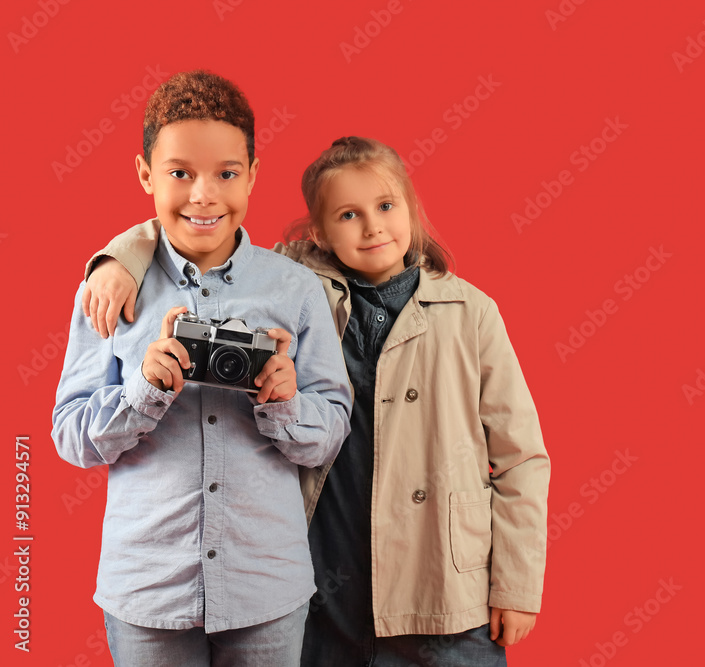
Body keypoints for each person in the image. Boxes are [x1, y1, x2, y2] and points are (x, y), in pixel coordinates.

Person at [82, 136, 550, 666]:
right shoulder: (298, 289)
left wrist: (515, 585)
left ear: (411, 210)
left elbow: (521, 458)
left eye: (386, 206)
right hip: (329, 584)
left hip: (443, 586)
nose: (372, 226)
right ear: (319, 234)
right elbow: (205, 235)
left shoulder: (472, 312)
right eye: (348, 214)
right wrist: (122, 256)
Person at [52, 70, 353, 667]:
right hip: (148, 588)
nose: (203, 195)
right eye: (179, 172)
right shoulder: (110, 289)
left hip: (265, 583)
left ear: (253, 174)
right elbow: (70, 436)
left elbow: (331, 433)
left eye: (226, 173)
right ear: (145, 174)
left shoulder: (294, 289)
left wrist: (285, 400)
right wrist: (144, 389)